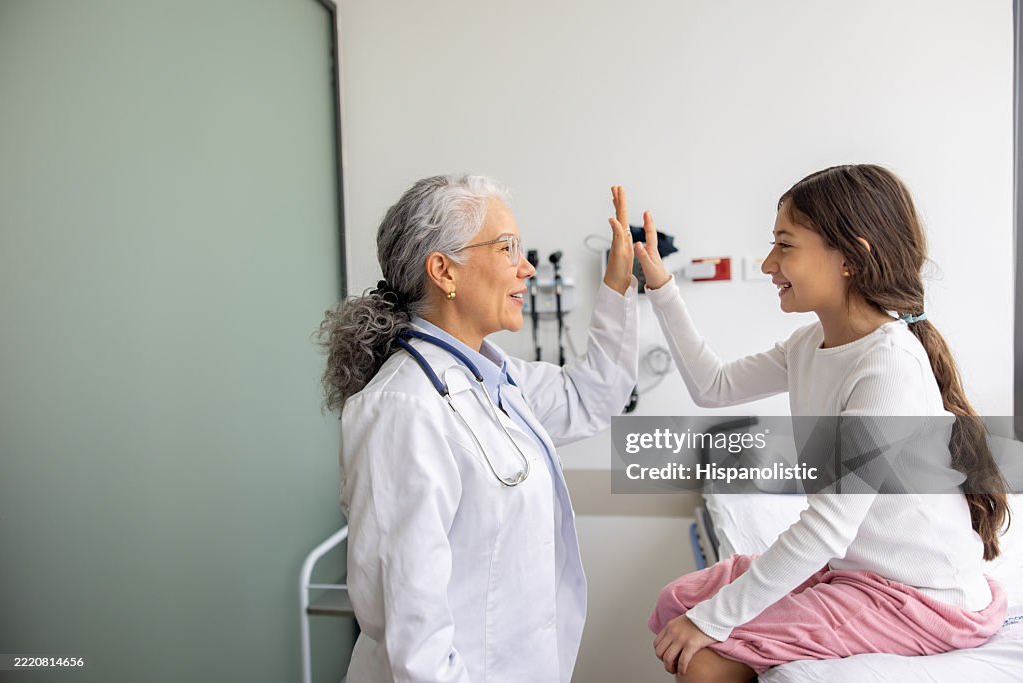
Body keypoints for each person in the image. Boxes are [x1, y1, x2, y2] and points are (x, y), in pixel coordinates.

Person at [622, 165, 1010, 682]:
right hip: (860, 572)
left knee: (703, 653)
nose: (767, 264)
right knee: (678, 603)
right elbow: (712, 386)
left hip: (921, 597)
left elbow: (828, 526)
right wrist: (662, 287)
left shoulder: (887, 364)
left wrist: (714, 622)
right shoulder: (809, 346)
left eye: (785, 246)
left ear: (851, 256)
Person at [317, 175, 638, 682]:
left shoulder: (492, 379)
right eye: (508, 247)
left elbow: (591, 398)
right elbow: (414, 639)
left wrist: (617, 285)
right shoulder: (403, 407)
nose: (526, 266)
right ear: (444, 270)